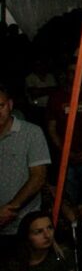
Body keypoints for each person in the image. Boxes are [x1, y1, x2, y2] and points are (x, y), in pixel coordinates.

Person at [0, 83, 51, 257]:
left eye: (1, 105)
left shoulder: (31, 133)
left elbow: (38, 177)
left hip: (25, 224)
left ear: (10, 105)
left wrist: (9, 209)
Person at [45, 63, 82, 203]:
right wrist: (65, 150)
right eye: (71, 71)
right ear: (66, 74)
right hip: (66, 160)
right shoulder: (56, 97)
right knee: (70, 200)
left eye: (77, 71)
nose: (74, 74)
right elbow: (51, 129)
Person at [5, 211, 72, 271]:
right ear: (26, 237)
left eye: (50, 228)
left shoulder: (63, 256)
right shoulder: (13, 263)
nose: (47, 235)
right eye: (39, 232)